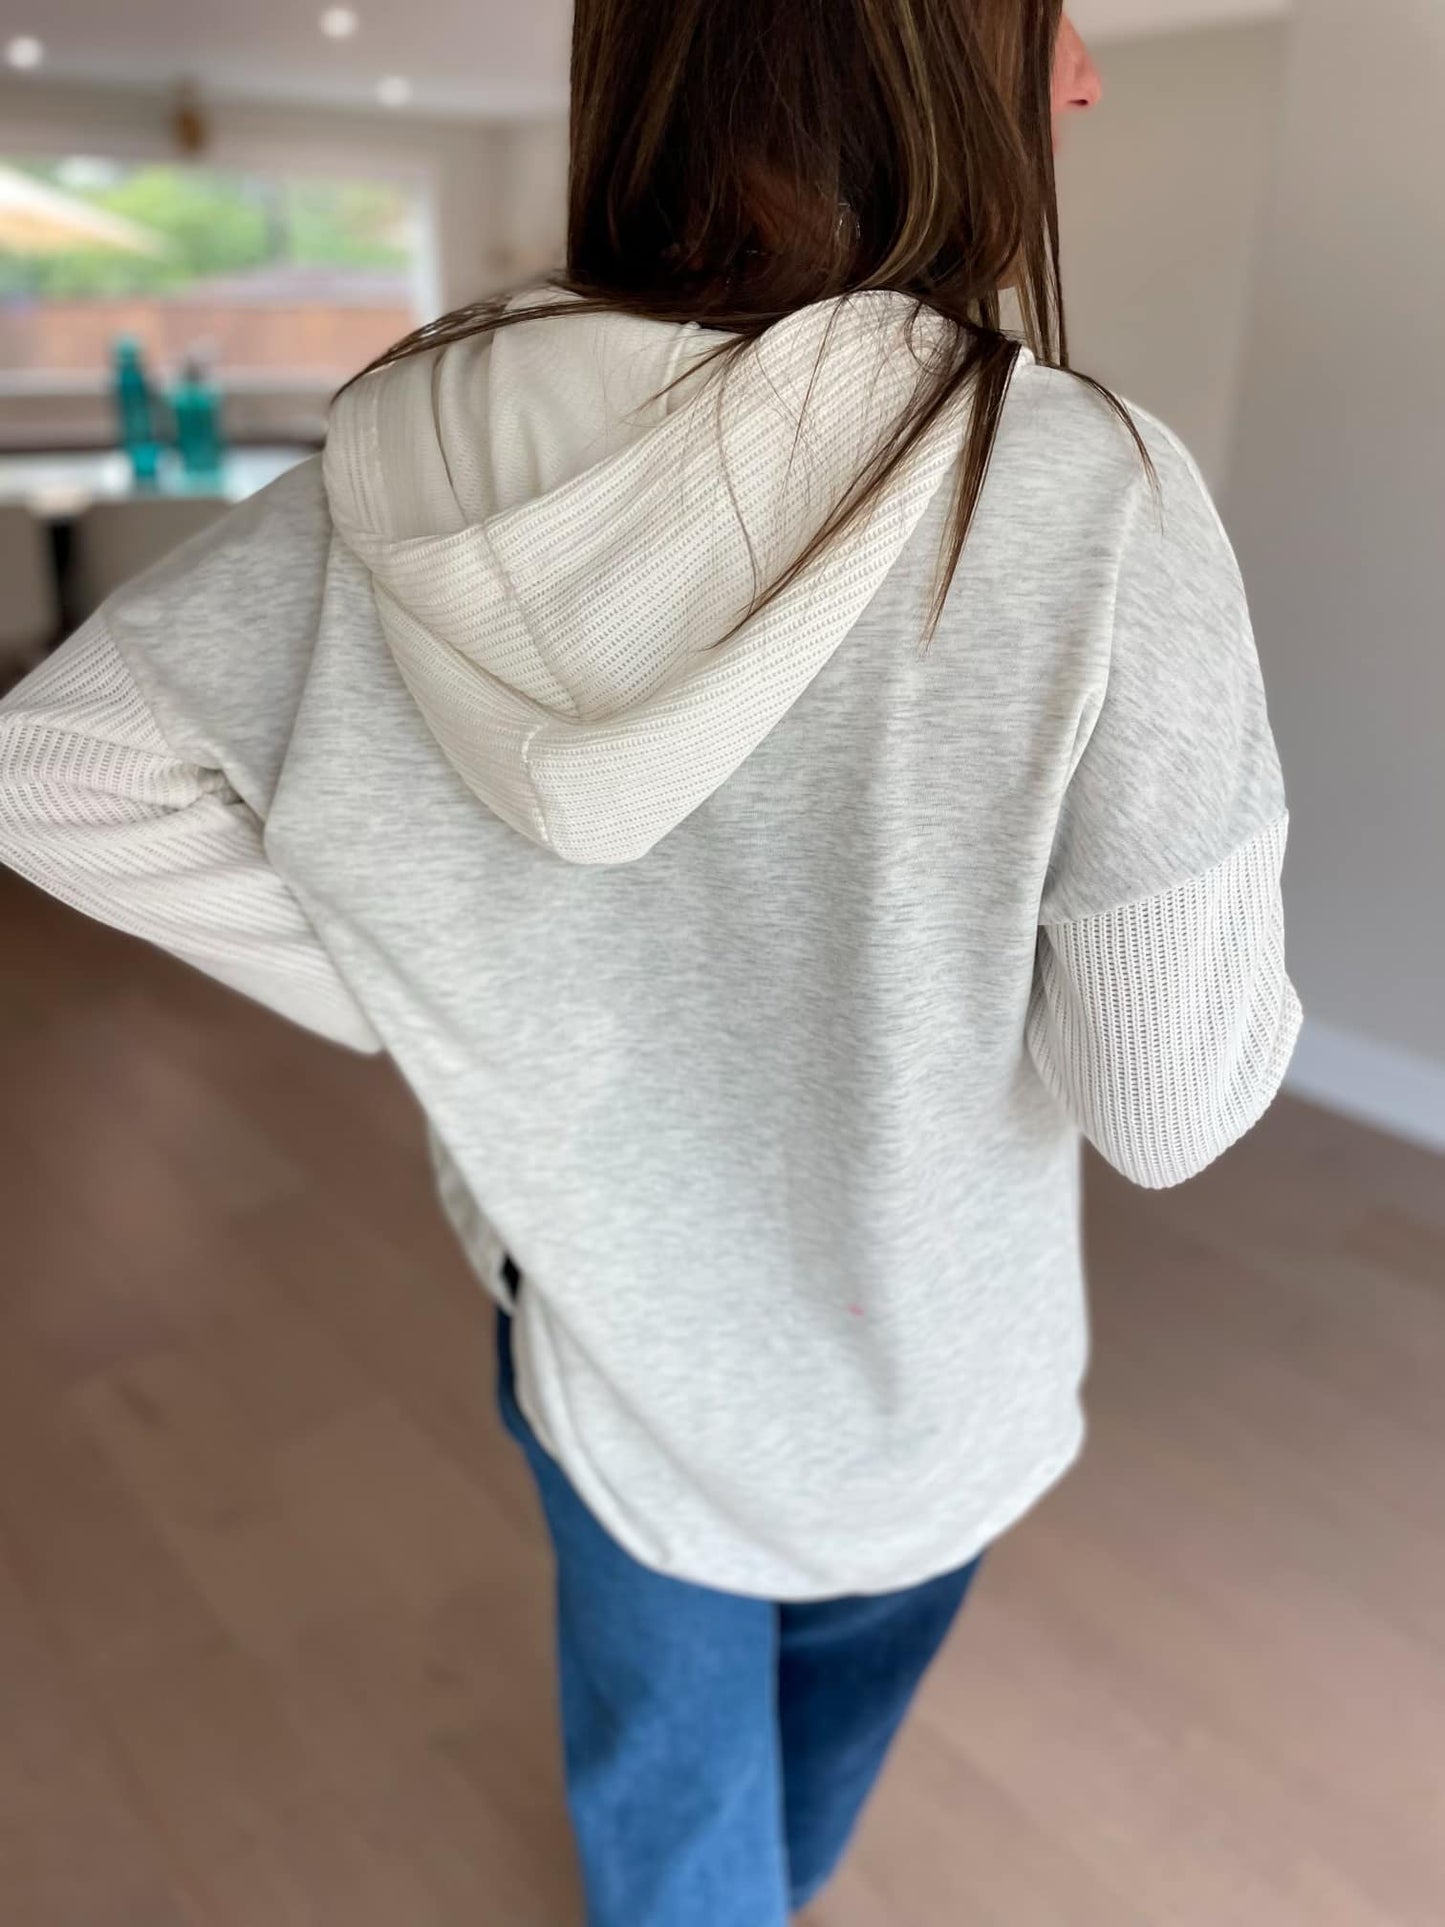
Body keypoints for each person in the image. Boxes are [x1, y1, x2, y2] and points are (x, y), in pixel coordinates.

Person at [0, 3, 1302, 1921]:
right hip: (926, 1355)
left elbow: (61, 771)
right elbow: (1168, 1106)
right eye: (1048, 19)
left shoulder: (413, 462)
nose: (1087, 72)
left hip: (600, 1328)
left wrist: (440, 979)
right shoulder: (1083, 486)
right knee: (797, 1775)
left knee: (666, 1801)